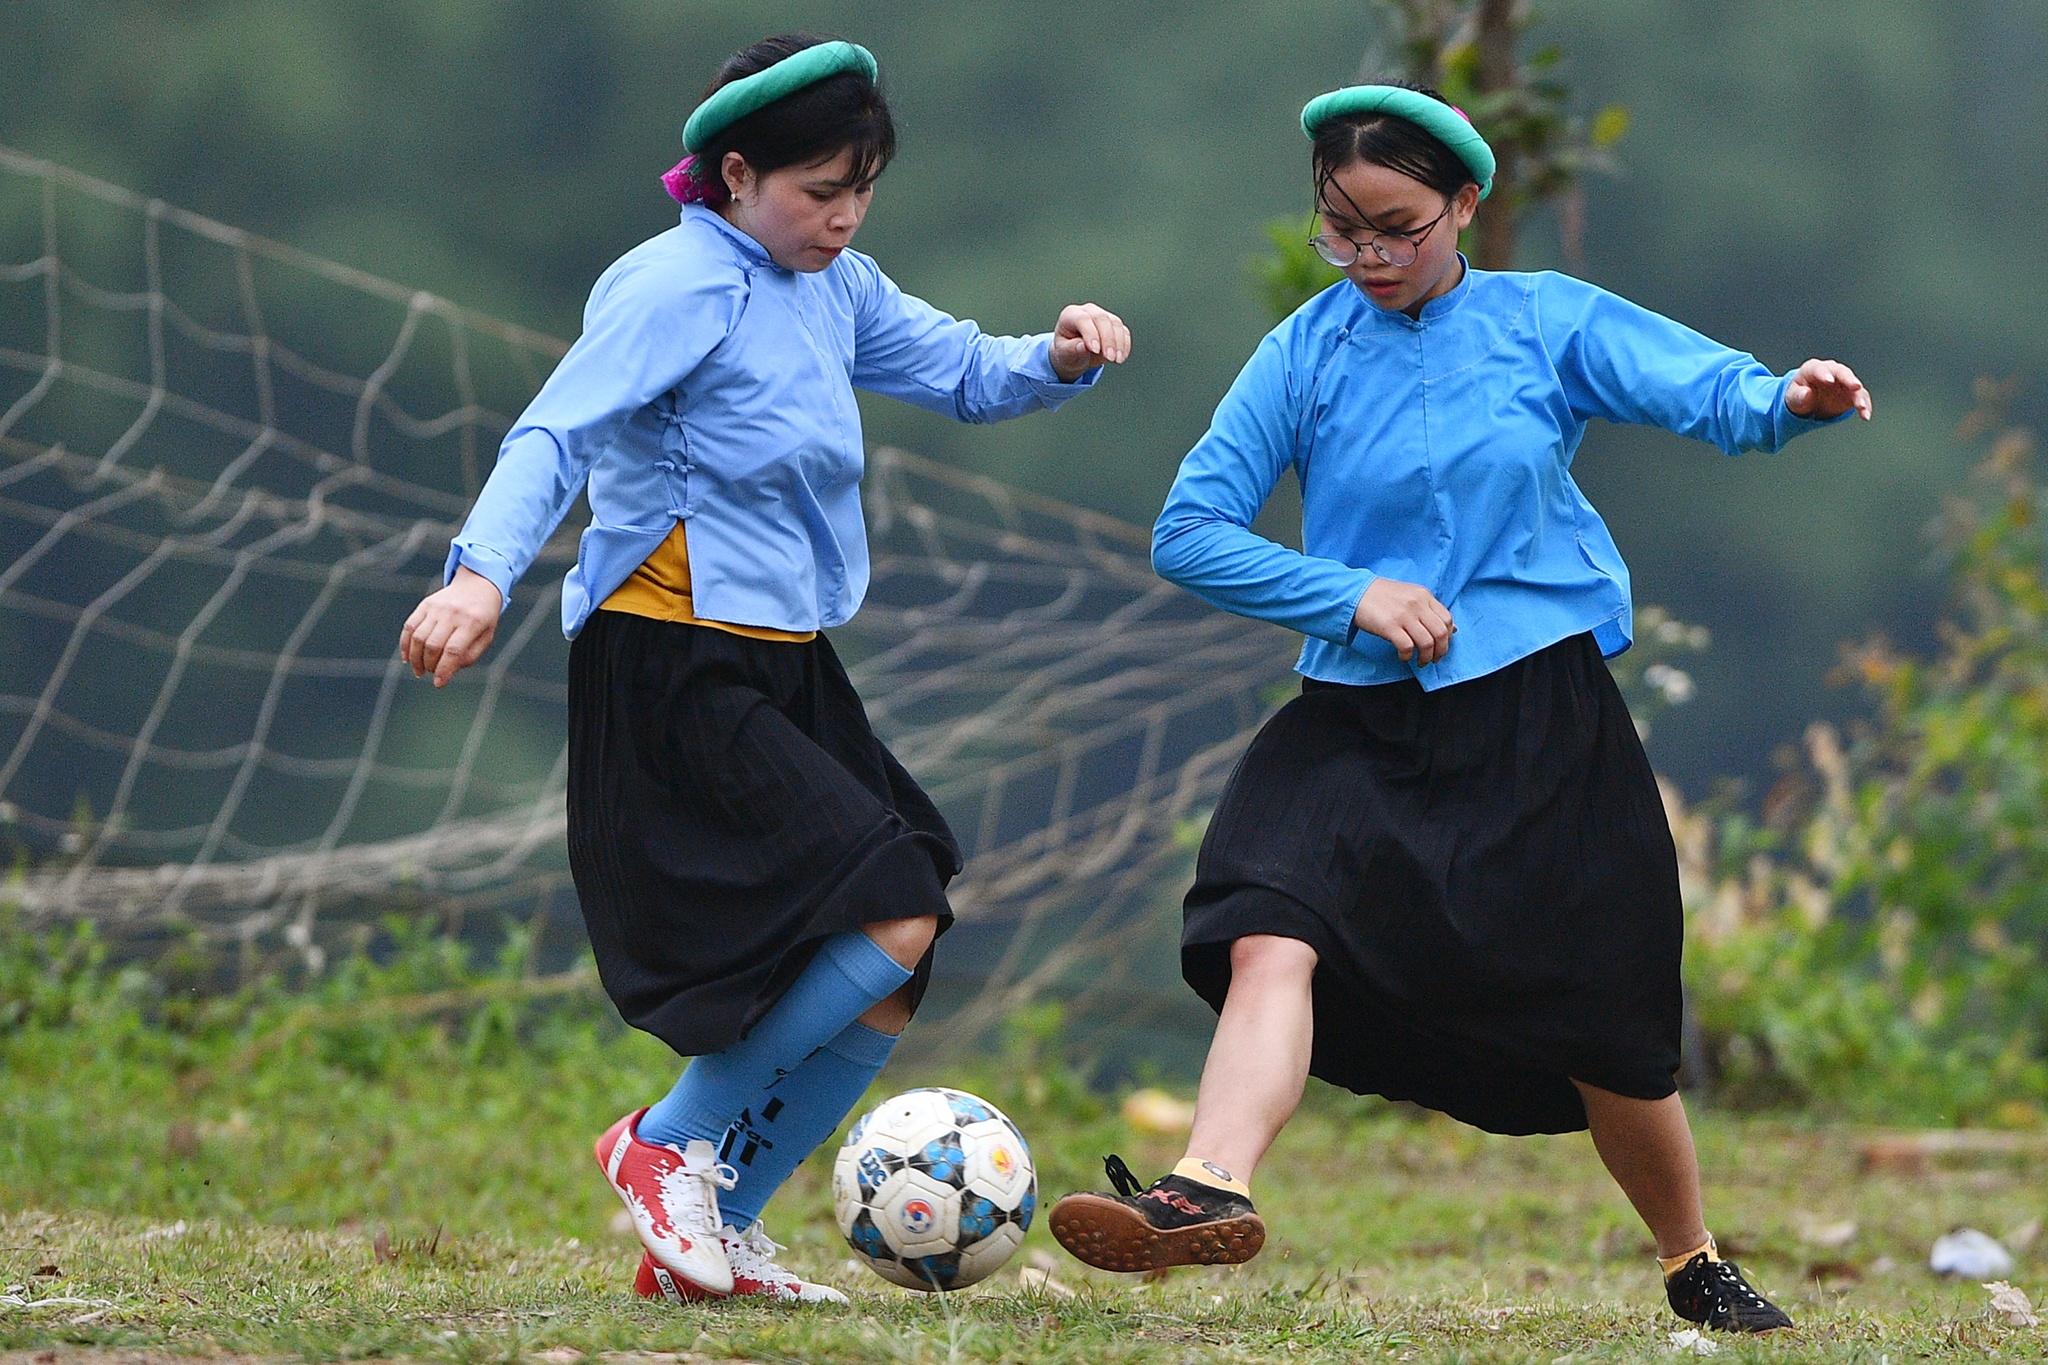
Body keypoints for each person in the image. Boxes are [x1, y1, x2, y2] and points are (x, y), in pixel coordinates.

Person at [1048, 80, 1867, 1334]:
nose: (1368, 255)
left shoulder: (1542, 322)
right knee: (1267, 920)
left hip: (1538, 717)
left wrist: (1787, 400)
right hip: (1357, 715)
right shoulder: (1305, 350)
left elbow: (1701, 389)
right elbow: (1188, 533)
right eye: (1341, 229)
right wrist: (1349, 594)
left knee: (1611, 1026)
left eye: (1396, 225)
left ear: (1463, 207)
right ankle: (1201, 1189)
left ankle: (1689, 1258)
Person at [399, 33, 1129, 1305]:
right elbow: (556, 429)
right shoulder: (673, 284)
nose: (841, 217)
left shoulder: (835, 284)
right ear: (734, 173)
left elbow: (957, 366)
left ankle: (712, 1241)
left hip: (784, 661)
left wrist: (1054, 359)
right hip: (671, 656)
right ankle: (664, 1141)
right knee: (890, 899)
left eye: (860, 190)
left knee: (896, 966)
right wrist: (478, 573)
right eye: (816, 191)